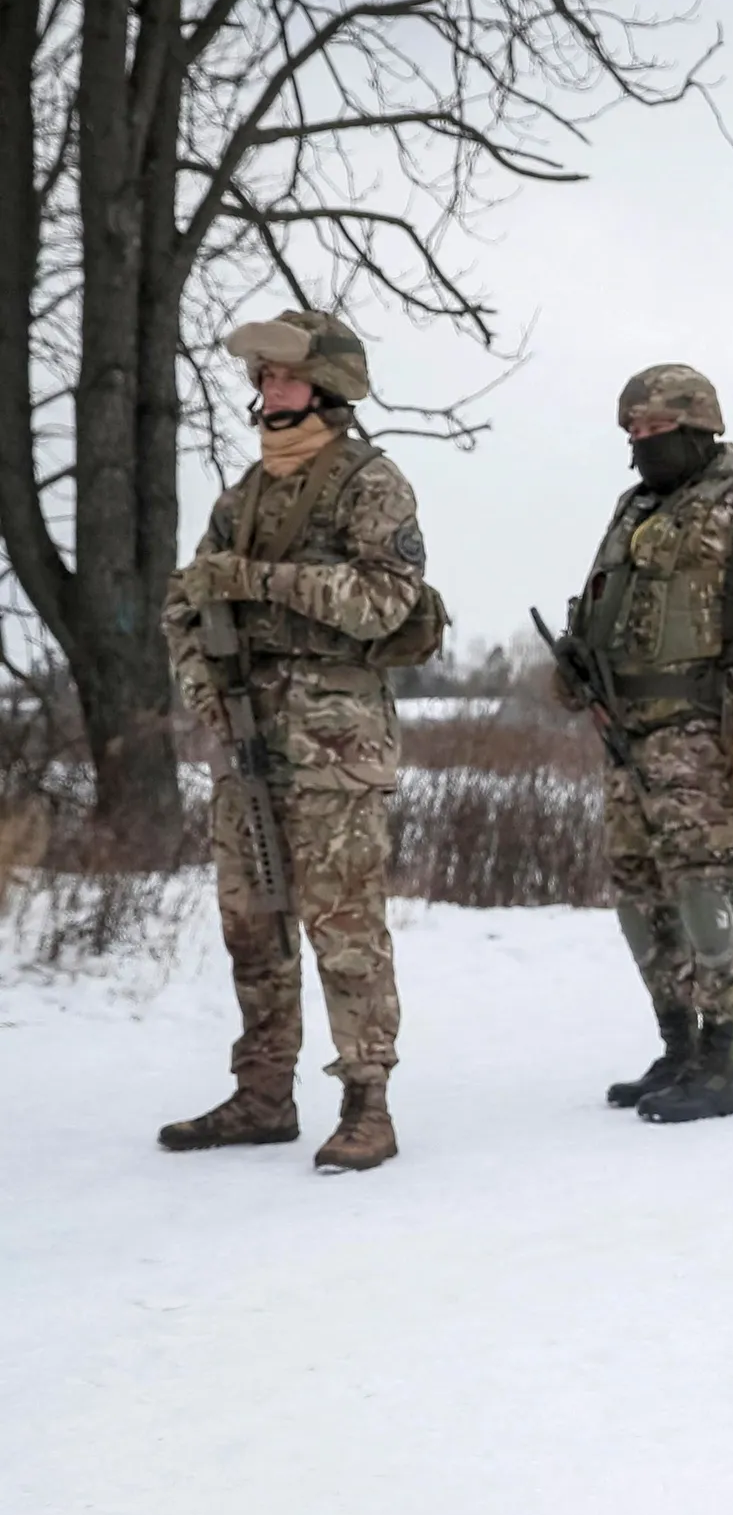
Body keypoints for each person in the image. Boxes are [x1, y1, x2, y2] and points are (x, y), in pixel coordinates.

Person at [159, 311, 437, 1172]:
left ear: (329, 385)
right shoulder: (242, 496)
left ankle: (367, 1102)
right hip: (245, 739)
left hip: (335, 745)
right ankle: (263, 1093)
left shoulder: (370, 484)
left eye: (283, 374)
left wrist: (259, 581)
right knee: (252, 924)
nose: (267, 386)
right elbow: (185, 606)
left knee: (344, 927)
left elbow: (384, 601)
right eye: (263, 375)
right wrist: (205, 693)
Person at [553, 365, 733, 1123]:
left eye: (655, 430)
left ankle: (719, 1062)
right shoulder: (635, 508)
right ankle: (677, 1047)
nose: (641, 444)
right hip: (629, 733)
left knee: (709, 892)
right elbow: (605, 600)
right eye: (632, 432)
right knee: (639, 896)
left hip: (708, 734)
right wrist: (577, 662)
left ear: (699, 425)